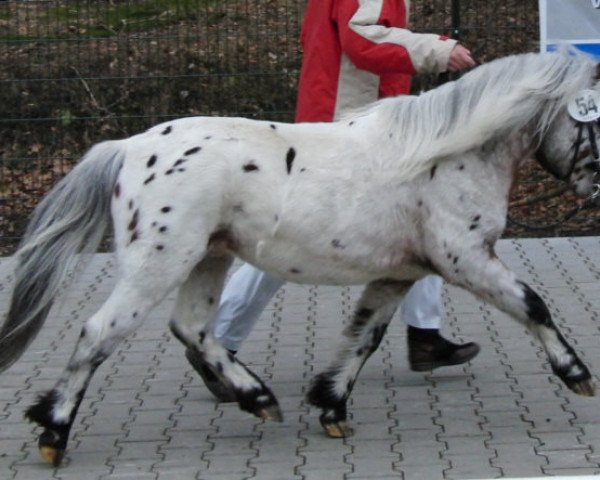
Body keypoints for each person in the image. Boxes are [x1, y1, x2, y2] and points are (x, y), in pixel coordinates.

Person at [186, 0, 480, 402]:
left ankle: (425, 334)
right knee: (284, 240)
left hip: (350, 122)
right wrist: (439, 50)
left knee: (417, 221)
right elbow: (363, 40)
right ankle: (216, 341)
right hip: (349, 129)